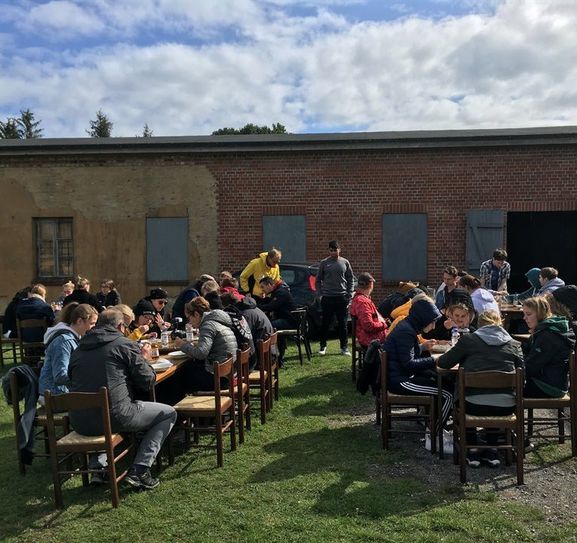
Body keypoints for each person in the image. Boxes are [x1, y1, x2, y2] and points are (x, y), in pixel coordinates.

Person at [68, 309, 176, 490]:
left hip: (79, 420)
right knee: (168, 413)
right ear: (120, 326)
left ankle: (98, 466)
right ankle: (140, 470)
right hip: (115, 416)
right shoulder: (123, 344)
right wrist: (144, 359)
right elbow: (148, 381)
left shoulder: (79, 347)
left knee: (104, 409)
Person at [437, 310, 523, 468]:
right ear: (500, 324)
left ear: (479, 325)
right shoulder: (514, 344)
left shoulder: (468, 340)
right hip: (506, 406)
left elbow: (443, 363)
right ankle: (491, 448)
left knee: (468, 395)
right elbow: (522, 375)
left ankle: (473, 448)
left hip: (473, 404)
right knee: (495, 396)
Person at [382, 297, 453, 430]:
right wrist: (434, 359)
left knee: (443, 382)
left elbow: (405, 355)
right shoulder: (407, 331)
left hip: (400, 375)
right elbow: (409, 364)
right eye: (432, 322)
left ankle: (429, 420)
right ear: (423, 319)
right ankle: (435, 432)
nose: (433, 326)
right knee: (447, 394)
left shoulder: (407, 326)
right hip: (401, 381)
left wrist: (422, 348)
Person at [173, 297, 238, 392]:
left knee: (177, 378)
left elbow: (201, 353)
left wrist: (182, 344)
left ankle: (173, 406)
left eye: (189, 318)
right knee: (189, 368)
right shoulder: (216, 320)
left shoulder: (208, 325)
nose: (189, 322)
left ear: (196, 314)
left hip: (219, 379)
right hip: (228, 374)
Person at [38, 303, 98, 404]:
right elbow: (60, 376)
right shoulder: (63, 341)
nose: (94, 327)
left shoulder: (74, 338)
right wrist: (85, 377)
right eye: (92, 323)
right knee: (99, 404)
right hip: (55, 396)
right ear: (79, 321)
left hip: (62, 393)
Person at [521, 297, 575, 399]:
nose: (524, 318)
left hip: (549, 386)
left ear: (540, 314)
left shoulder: (548, 336)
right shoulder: (547, 329)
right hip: (552, 382)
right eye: (524, 314)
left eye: (528, 314)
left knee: (508, 388)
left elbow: (531, 367)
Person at [317, 240, 354, 356]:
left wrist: (349, 293)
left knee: (343, 323)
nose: (333, 252)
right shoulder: (324, 263)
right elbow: (318, 280)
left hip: (341, 297)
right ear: (329, 250)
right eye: (331, 250)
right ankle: (323, 346)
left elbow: (350, 278)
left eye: (335, 250)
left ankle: (344, 348)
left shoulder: (345, 262)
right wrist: (319, 294)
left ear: (339, 250)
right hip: (327, 297)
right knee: (326, 323)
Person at [349, 272, 387, 348]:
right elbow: (368, 326)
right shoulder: (362, 302)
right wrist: (384, 324)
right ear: (370, 284)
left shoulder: (361, 299)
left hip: (372, 336)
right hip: (371, 339)